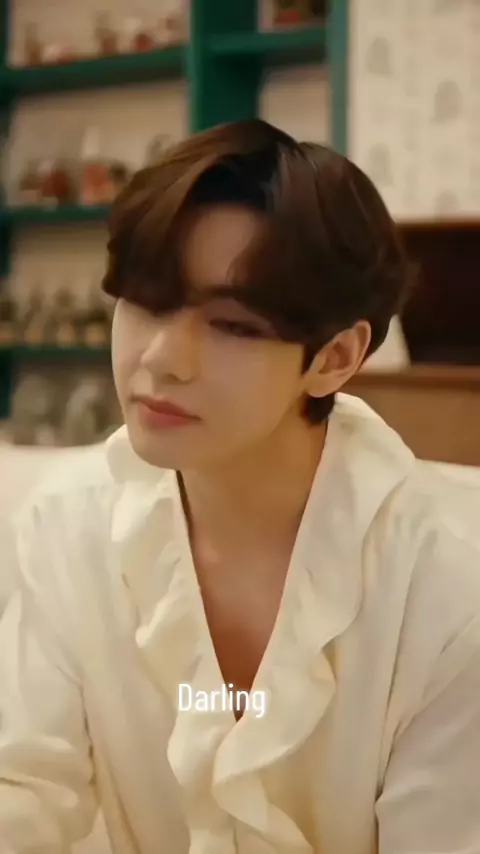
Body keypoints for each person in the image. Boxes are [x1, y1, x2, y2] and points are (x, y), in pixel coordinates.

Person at [1, 118, 480, 854]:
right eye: (146, 301)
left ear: (335, 357)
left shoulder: (450, 580)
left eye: (232, 324)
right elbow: (25, 781)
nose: (162, 359)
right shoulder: (69, 524)